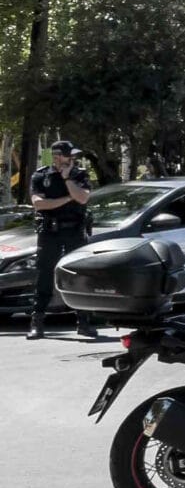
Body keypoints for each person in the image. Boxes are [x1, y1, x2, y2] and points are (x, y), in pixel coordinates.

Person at [26, 140, 97, 340]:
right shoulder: (41, 175)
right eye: (68, 155)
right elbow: (39, 204)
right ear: (57, 156)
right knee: (44, 275)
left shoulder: (79, 174)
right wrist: (67, 198)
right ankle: (37, 323)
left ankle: (83, 322)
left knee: (79, 274)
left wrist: (67, 179)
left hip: (74, 230)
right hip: (49, 232)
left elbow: (82, 198)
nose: (72, 158)